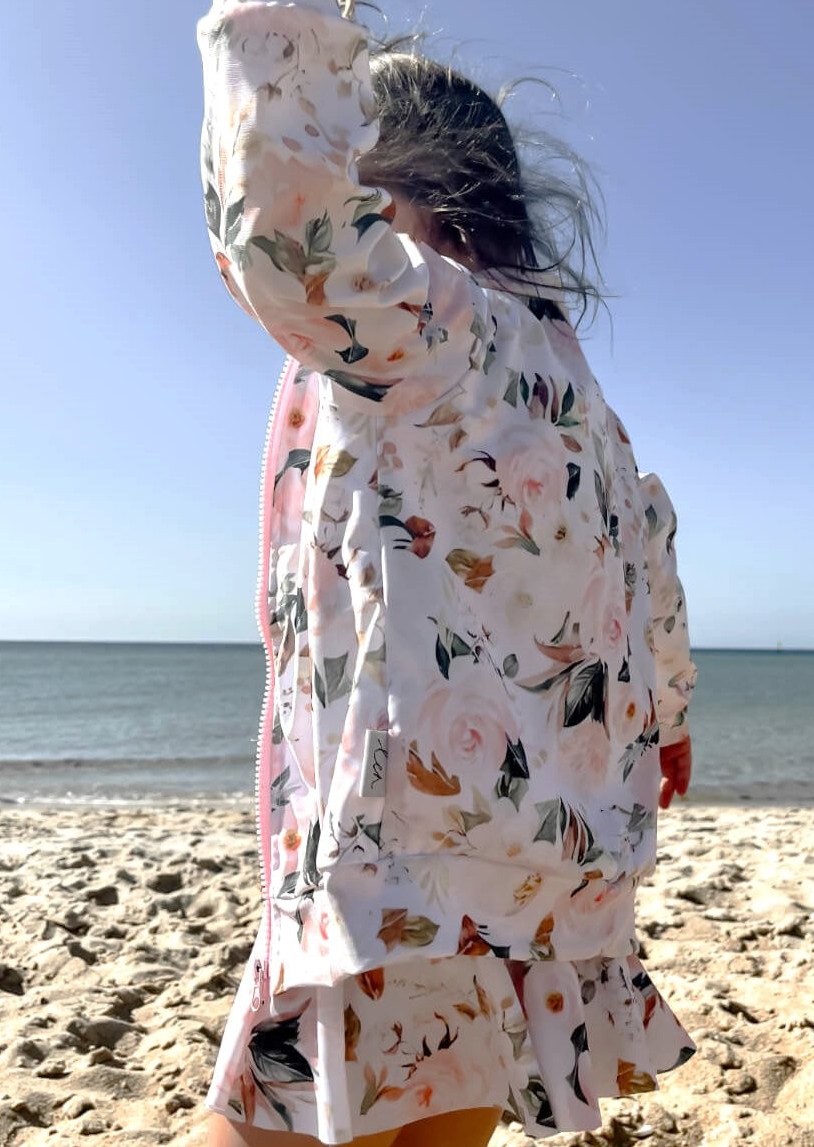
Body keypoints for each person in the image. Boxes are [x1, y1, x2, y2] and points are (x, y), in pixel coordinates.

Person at [196, 2, 697, 1144]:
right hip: (539, 874)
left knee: (266, 1122)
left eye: (362, 184)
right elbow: (651, 559)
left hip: (402, 858)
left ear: (414, 198)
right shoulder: (583, 399)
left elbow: (288, 229)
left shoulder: (433, 328)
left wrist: (281, 28)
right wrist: (668, 713)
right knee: (444, 1105)